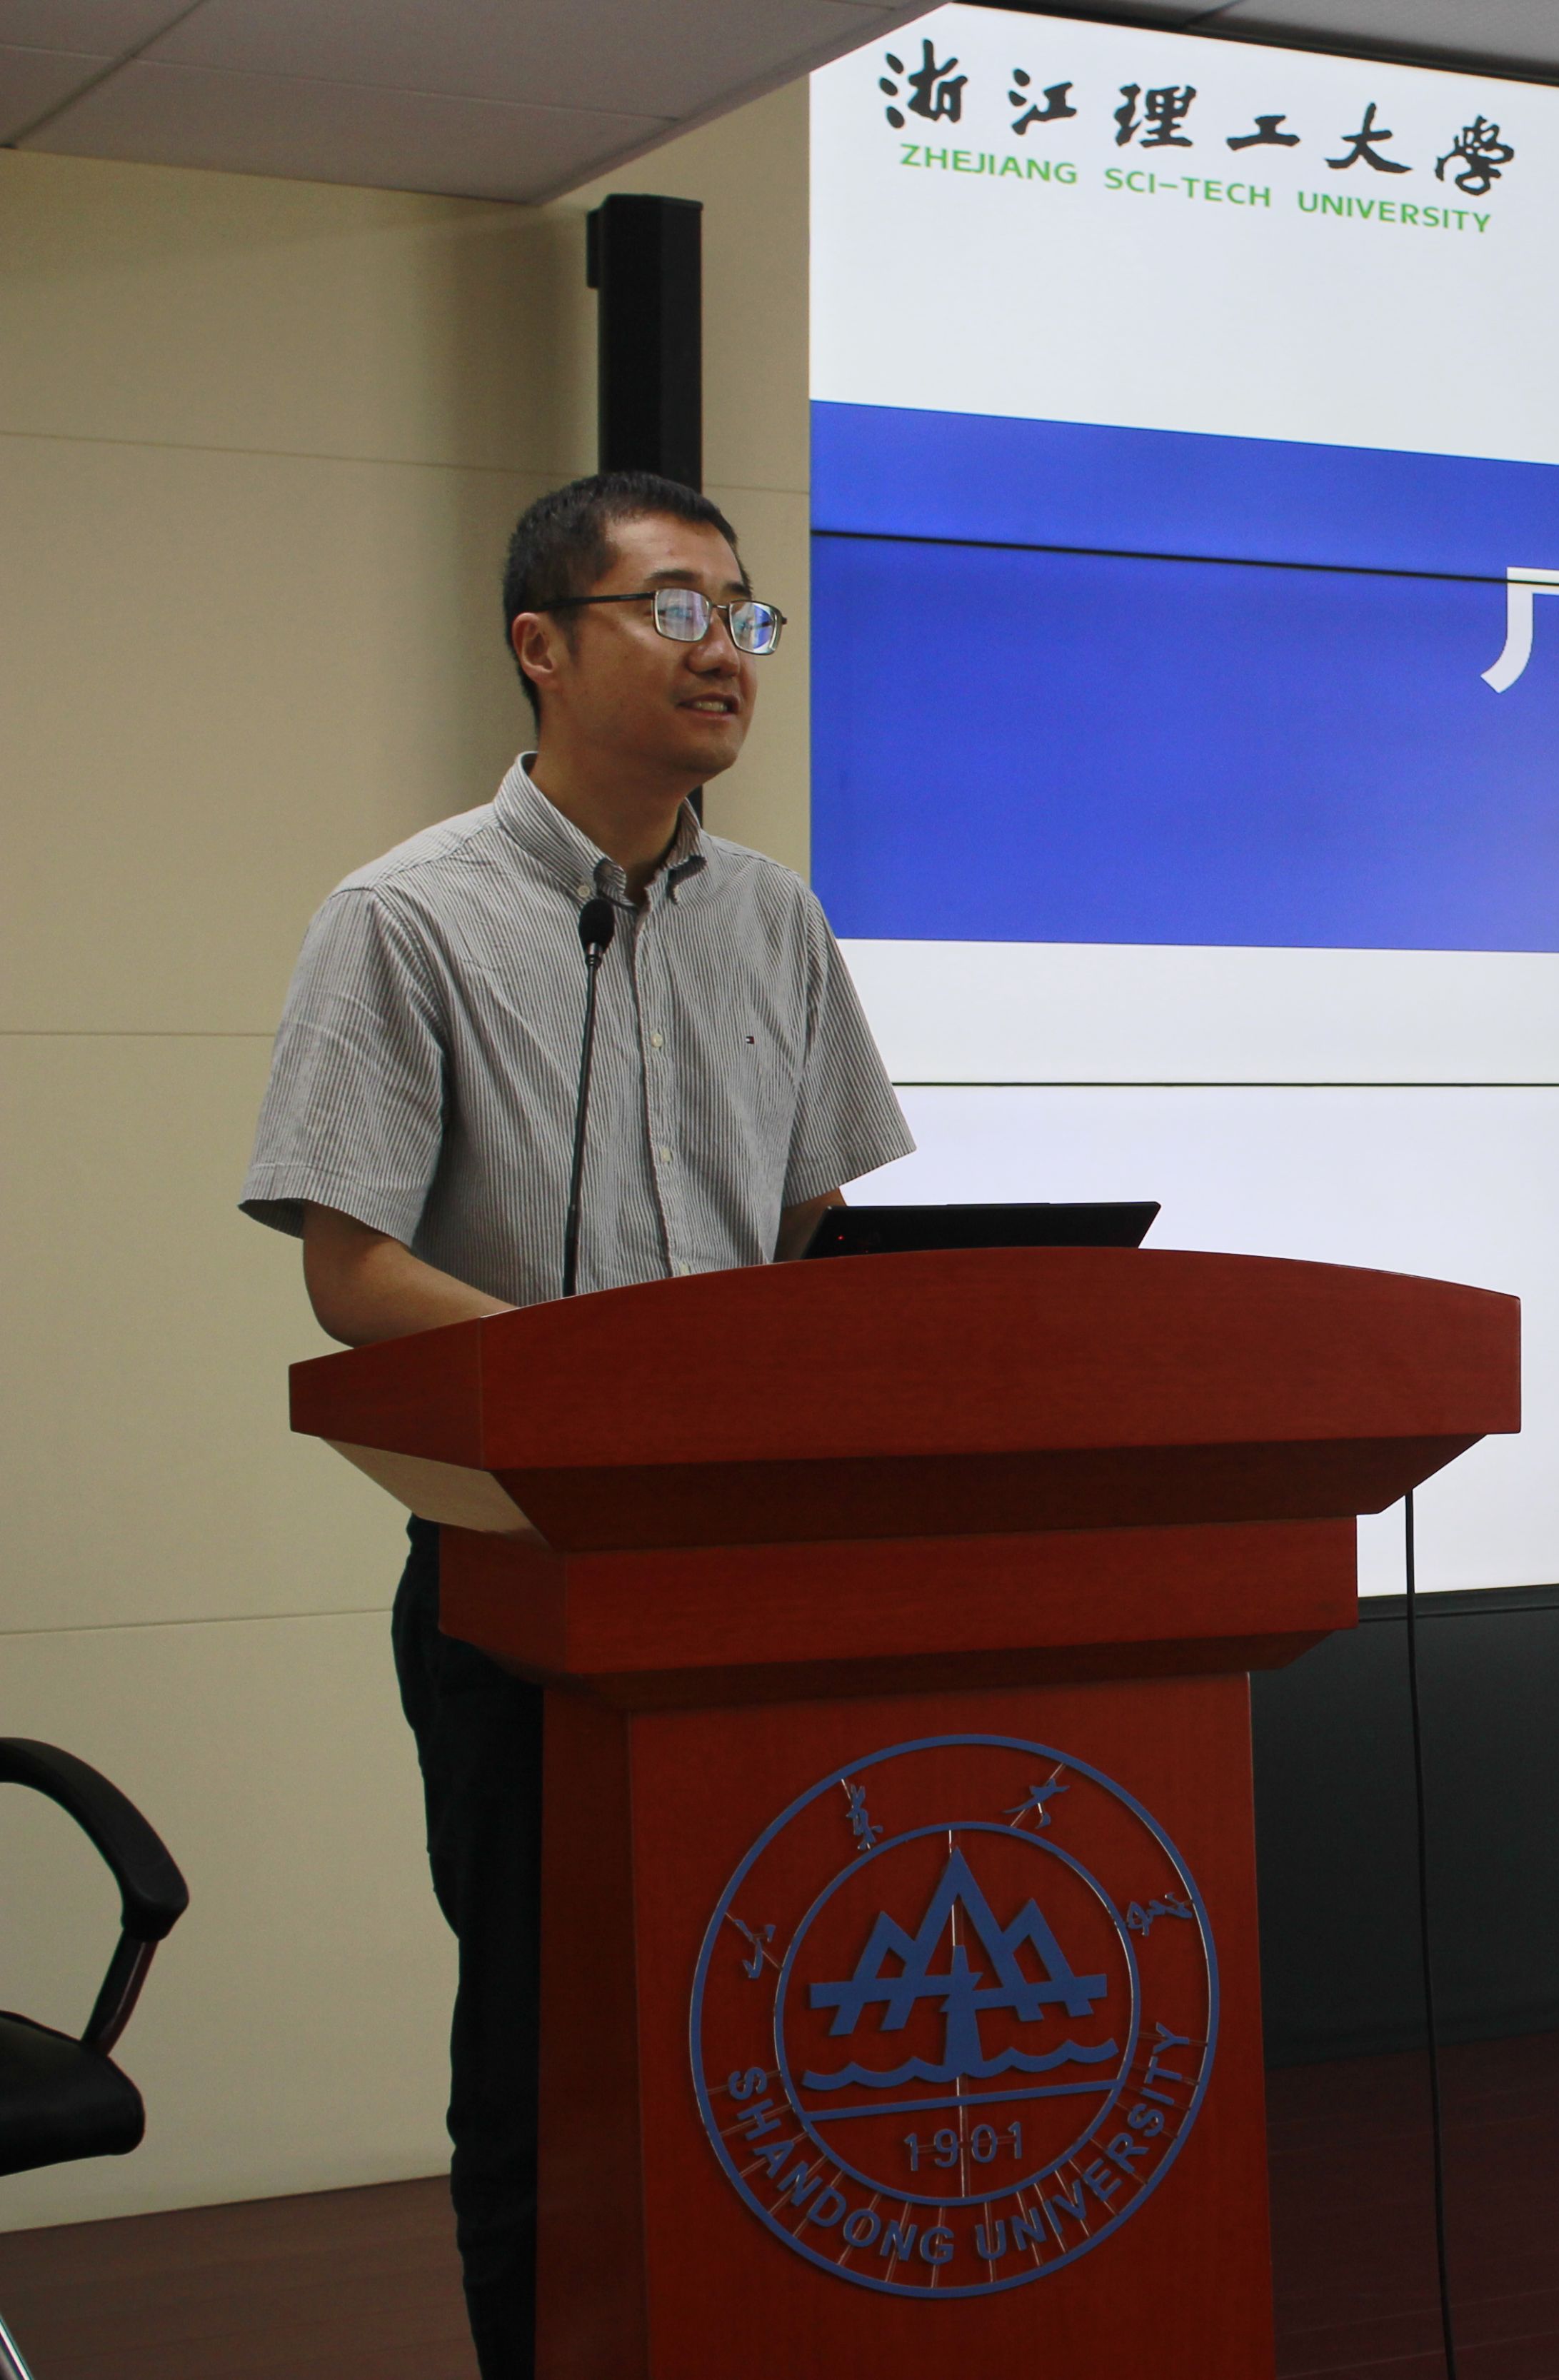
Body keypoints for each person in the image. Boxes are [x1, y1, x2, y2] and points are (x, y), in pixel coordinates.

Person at [238, 472, 913, 2379]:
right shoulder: (406, 917)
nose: (725, 651)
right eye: (672, 609)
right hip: (523, 1581)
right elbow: (354, 1272)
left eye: (745, 615)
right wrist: (607, 1389)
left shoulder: (774, 918)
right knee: (549, 2062)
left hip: (751, 1586)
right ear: (542, 645)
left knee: (764, 2032)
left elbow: (809, 1229)